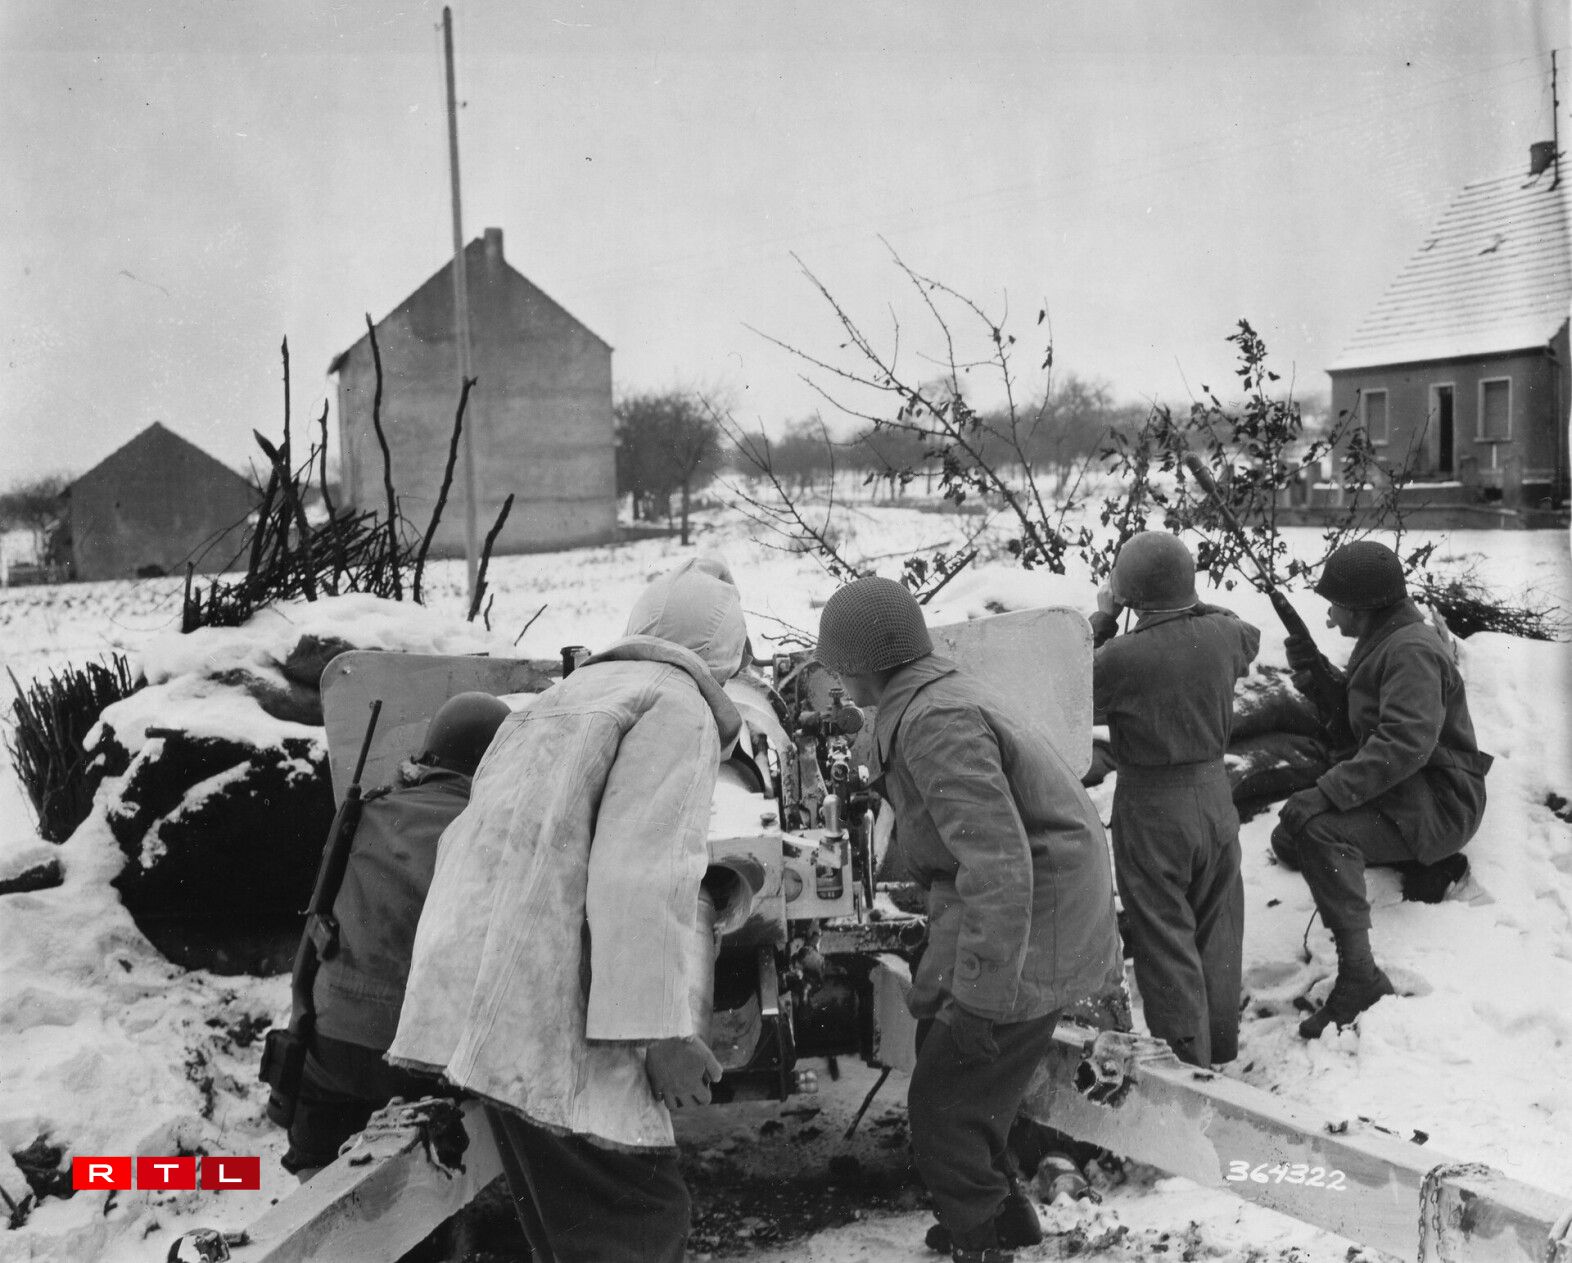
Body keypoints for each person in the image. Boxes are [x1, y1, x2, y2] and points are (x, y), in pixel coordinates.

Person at [389, 564, 747, 1263]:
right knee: (640, 1220)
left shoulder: (555, 700)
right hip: (549, 1016)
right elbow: (639, 875)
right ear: (723, 662)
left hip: (476, 1008)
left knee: (576, 1231)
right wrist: (665, 1035)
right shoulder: (675, 704)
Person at [816, 576, 1121, 1263]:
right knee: (956, 1079)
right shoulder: (930, 698)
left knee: (945, 1103)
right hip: (1024, 913)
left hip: (1030, 921)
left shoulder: (936, 721)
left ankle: (983, 1242)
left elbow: (1000, 865)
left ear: (861, 663)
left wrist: (980, 1000)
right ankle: (999, 1217)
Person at [281, 690, 510, 1177]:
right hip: (426, 1060)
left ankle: (313, 1179)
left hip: (332, 1049)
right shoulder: (499, 830)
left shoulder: (369, 811)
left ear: (428, 754)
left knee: (317, 1148)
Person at [1273, 541, 1492, 1038]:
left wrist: (1327, 793)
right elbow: (1366, 722)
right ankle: (1422, 863)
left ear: (1362, 606)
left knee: (1319, 833)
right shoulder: (1388, 637)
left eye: (1335, 606)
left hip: (1439, 801)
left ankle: (1360, 977)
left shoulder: (1410, 649)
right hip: (1411, 789)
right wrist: (1318, 679)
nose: (1329, 619)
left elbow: (1405, 742)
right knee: (1290, 837)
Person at [1089, 532, 1260, 1068]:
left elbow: (1070, 687)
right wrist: (1188, 601)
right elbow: (1244, 630)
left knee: (1165, 942)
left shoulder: (1120, 657)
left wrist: (1105, 618)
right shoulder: (1226, 634)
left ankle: (1188, 1068)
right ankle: (1220, 1053)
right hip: (1215, 796)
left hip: (1152, 805)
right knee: (1217, 931)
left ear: (1128, 592)